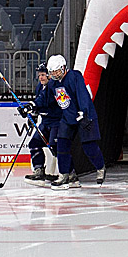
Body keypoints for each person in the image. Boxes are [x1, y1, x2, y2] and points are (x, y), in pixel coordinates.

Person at [34, 54, 106, 189]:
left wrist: (83, 111)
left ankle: (100, 167)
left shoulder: (74, 76)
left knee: (89, 146)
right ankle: (64, 175)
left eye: (57, 71)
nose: (55, 74)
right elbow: (45, 98)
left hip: (84, 116)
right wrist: (33, 105)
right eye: (52, 72)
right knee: (61, 144)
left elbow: (82, 94)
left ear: (63, 68)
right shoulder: (53, 83)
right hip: (68, 117)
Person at [19, 65, 59, 186]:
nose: (41, 77)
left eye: (43, 75)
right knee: (34, 144)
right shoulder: (39, 87)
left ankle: (68, 173)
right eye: (39, 75)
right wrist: (33, 115)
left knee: (55, 147)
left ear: (49, 75)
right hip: (45, 122)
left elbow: (42, 101)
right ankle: (39, 170)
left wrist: (31, 105)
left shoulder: (54, 87)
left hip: (56, 122)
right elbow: (39, 103)